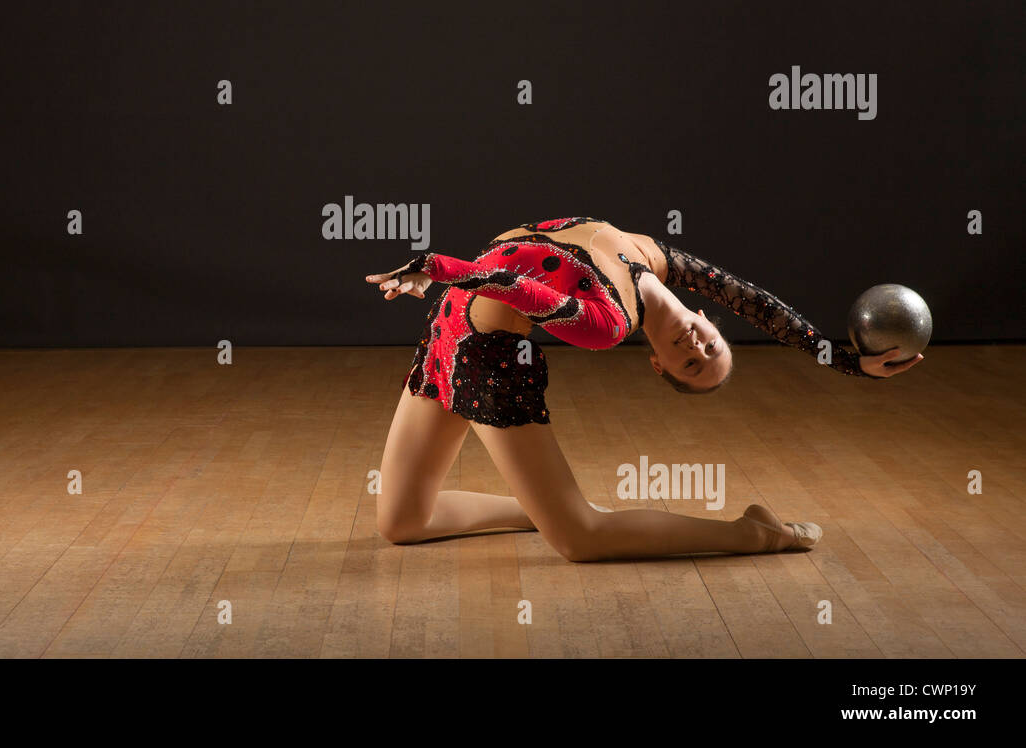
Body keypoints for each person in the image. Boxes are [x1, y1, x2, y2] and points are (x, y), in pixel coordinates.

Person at [365, 216, 923, 562]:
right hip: (445, 329)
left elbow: (527, 292)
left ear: (658, 365)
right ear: (710, 318)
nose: (697, 349)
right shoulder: (653, 253)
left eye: (690, 364)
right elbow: (760, 305)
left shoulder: (607, 324)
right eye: (711, 347)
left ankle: (751, 534)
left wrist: (439, 266)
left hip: (487, 356)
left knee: (581, 541)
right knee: (402, 523)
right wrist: (850, 363)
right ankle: (546, 507)